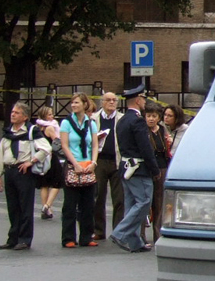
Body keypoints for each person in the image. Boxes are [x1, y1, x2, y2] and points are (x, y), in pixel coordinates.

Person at [109, 82, 160, 253]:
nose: (145, 102)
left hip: (125, 167)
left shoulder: (122, 120)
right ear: (138, 100)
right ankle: (121, 233)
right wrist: (155, 169)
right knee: (144, 201)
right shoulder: (138, 121)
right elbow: (145, 148)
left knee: (131, 205)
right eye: (144, 99)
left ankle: (135, 242)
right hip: (139, 168)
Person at [0, 102, 51, 251]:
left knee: (25, 207)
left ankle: (24, 239)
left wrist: (30, 162)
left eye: (17, 113)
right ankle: (13, 238)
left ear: (25, 117)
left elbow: (46, 148)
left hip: (24, 172)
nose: (13, 114)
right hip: (10, 171)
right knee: (13, 207)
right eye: (12, 112)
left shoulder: (32, 132)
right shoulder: (7, 133)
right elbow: (1, 155)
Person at [58, 93, 99, 248]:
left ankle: (87, 236)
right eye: (72, 103)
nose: (74, 105)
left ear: (84, 104)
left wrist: (94, 162)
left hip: (88, 164)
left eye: (76, 103)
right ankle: (68, 237)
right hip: (72, 165)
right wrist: (74, 163)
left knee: (88, 204)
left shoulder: (91, 123)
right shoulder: (66, 123)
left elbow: (95, 145)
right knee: (70, 203)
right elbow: (64, 145)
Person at [92, 92, 125, 244]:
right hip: (99, 161)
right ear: (102, 103)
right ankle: (98, 230)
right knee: (98, 196)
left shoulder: (121, 119)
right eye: (108, 100)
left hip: (117, 161)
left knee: (119, 198)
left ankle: (117, 231)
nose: (112, 102)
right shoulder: (93, 119)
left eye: (114, 100)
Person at [141, 101, 171, 246]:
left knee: (159, 202)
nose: (151, 119)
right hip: (147, 169)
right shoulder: (142, 131)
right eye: (148, 116)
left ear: (158, 117)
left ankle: (158, 234)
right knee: (145, 201)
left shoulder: (162, 130)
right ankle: (141, 235)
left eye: (154, 116)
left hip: (162, 167)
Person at [34, 106, 64, 220]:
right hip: (51, 157)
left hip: (42, 158)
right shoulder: (50, 127)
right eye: (49, 114)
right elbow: (57, 141)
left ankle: (45, 208)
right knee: (58, 182)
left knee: (44, 184)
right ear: (44, 116)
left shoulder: (37, 127)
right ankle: (47, 205)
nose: (52, 116)